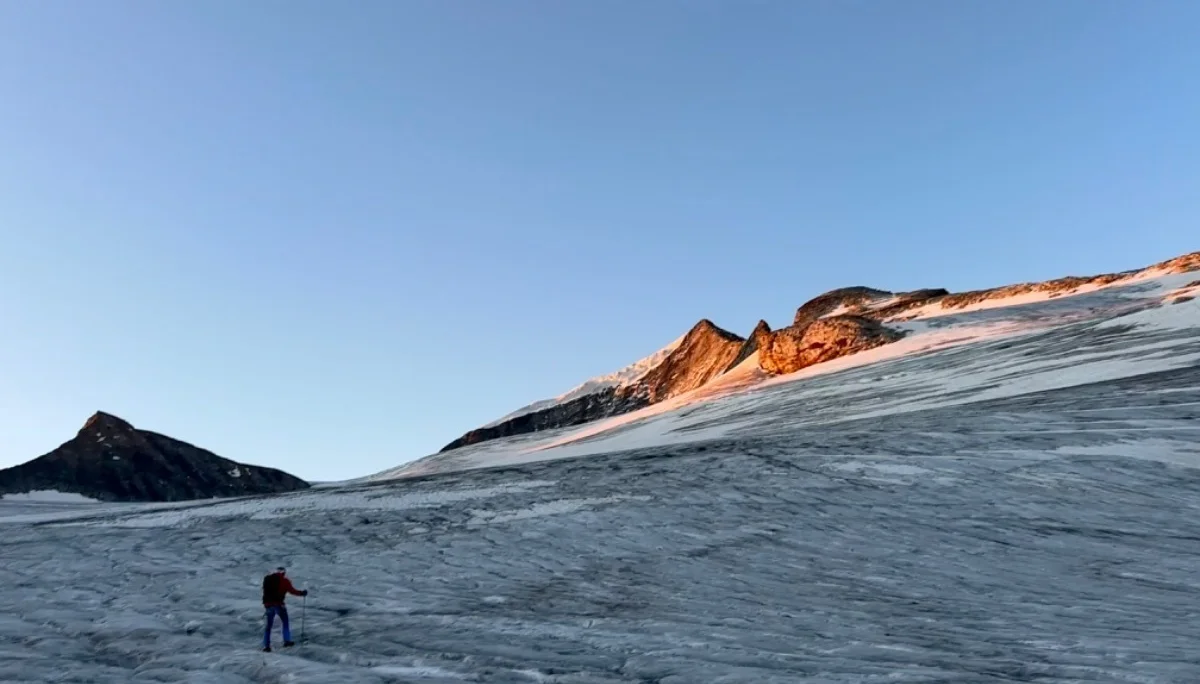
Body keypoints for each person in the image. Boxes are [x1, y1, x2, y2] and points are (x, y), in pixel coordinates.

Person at [261, 566, 307, 651]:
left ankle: (266, 646)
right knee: (285, 622)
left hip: (268, 605)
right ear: (283, 573)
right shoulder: (285, 581)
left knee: (268, 626)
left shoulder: (267, 580)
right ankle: (287, 641)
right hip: (279, 605)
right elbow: (292, 591)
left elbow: (264, 591)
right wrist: (302, 593)